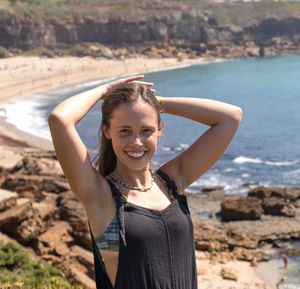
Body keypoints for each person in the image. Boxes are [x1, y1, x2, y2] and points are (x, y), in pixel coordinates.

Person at [48, 74, 242, 289]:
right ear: (107, 131)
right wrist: (106, 90)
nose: (137, 142)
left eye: (146, 130)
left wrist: (154, 103)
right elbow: (60, 119)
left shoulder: (170, 182)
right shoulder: (101, 197)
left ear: (160, 129)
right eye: (125, 131)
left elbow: (231, 116)